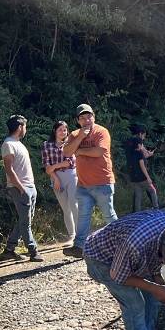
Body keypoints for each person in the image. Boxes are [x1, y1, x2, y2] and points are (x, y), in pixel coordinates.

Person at [63, 104, 117, 258]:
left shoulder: (101, 132)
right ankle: (79, 247)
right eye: (83, 118)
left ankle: (121, 243)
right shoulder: (74, 135)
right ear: (78, 121)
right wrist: (80, 137)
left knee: (108, 215)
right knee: (83, 216)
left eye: (89, 117)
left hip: (103, 182)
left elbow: (99, 151)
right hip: (83, 185)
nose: (87, 120)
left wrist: (78, 151)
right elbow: (66, 152)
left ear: (94, 117)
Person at [0, 115, 44, 262]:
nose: (25, 129)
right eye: (24, 126)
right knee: (26, 222)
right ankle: (33, 251)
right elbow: (9, 169)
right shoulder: (9, 144)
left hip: (29, 187)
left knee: (24, 220)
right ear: (20, 127)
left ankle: (9, 249)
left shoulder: (18, 144)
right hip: (20, 188)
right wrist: (20, 187)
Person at [42, 121, 78, 244]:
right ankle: (72, 235)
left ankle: (80, 235)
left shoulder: (70, 143)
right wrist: (55, 177)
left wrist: (54, 166)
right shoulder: (47, 145)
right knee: (65, 208)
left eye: (65, 130)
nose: (63, 132)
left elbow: (70, 162)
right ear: (55, 131)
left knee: (75, 205)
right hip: (56, 178)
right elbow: (46, 165)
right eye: (60, 130)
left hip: (71, 175)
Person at [124, 124, 159, 211]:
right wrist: (148, 177)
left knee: (138, 196)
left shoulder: (131, 151)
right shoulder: (139, 152)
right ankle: (156, 208)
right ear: (140, 134)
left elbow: (143, 157)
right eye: (144, 135)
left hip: (133, 176)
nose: (142, 145)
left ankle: (137, 213)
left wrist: (147, 154)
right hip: (142, 177)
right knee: (152, 191)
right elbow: (142, 164)